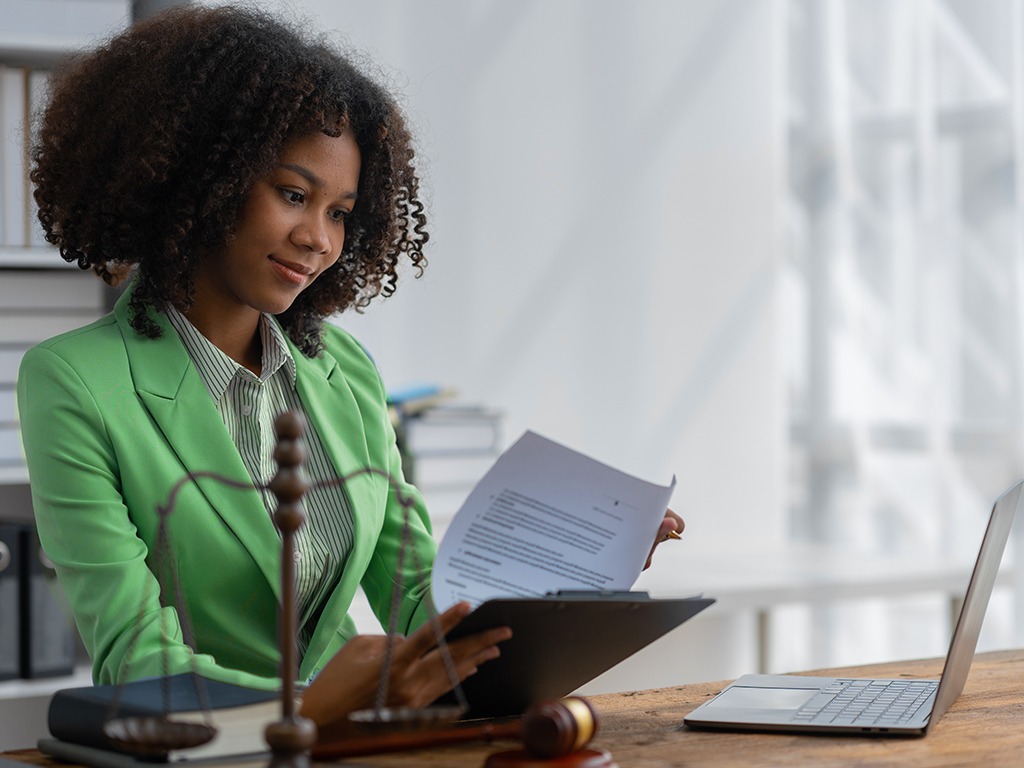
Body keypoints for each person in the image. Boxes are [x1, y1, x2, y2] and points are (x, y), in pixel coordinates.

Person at [17, 4, 682, 729]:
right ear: (200, 177)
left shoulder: (342, 368)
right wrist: (311, 708)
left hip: (372, 739)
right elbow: (135, 662)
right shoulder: (75, 381)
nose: (318, 240)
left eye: (341, 212)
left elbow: (418, 590)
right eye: (294, 195)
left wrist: (571, 582)